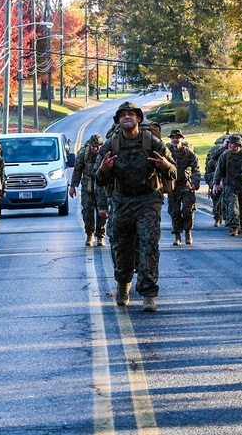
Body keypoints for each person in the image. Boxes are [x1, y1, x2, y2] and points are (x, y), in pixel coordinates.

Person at [95, 101, 176, 313]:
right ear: (118, 121)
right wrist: (104, 169)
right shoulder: (111, 145)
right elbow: (98, 178)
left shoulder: (152, 141)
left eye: (131, 114)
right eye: (122, 115)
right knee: (121, 245)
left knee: (149, 244)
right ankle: (123, 285)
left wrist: (165, 165)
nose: (127, 117)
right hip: (122, 201)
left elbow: (173, 172)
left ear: (139, 118)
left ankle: (149, 294)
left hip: (148, 199)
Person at [70, 134, 108, 247]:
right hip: (87, 186)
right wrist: (73, 186)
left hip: (101, 187)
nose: (95, 149)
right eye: (93, 146)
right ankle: (89, 234)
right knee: (87, 211)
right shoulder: (83, 154)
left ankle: (100, 236)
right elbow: (77, 170)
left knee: (102, 211)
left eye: (97, 146)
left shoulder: (105, 154)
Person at [166, 129, 200, 246]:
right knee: (174, 211)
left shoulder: (188, 153)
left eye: (178, 137)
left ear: (181, 139)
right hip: (172, 187)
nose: (176, 139)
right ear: (171, 139)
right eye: (173, 137)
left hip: (186, 186)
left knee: (187, 210)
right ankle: (177, 235)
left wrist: (195, 183)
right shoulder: (167, 152)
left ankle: (187, 232)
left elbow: (196, 168)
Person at [213, 135, 242, 236]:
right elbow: (218, 170)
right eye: (230, 143)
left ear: (238, 144)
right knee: (233, 206)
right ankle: (234, 227)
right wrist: (216, 184)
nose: (231, 145)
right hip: (229, 185)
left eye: (233, 143)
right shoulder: (225, 155)